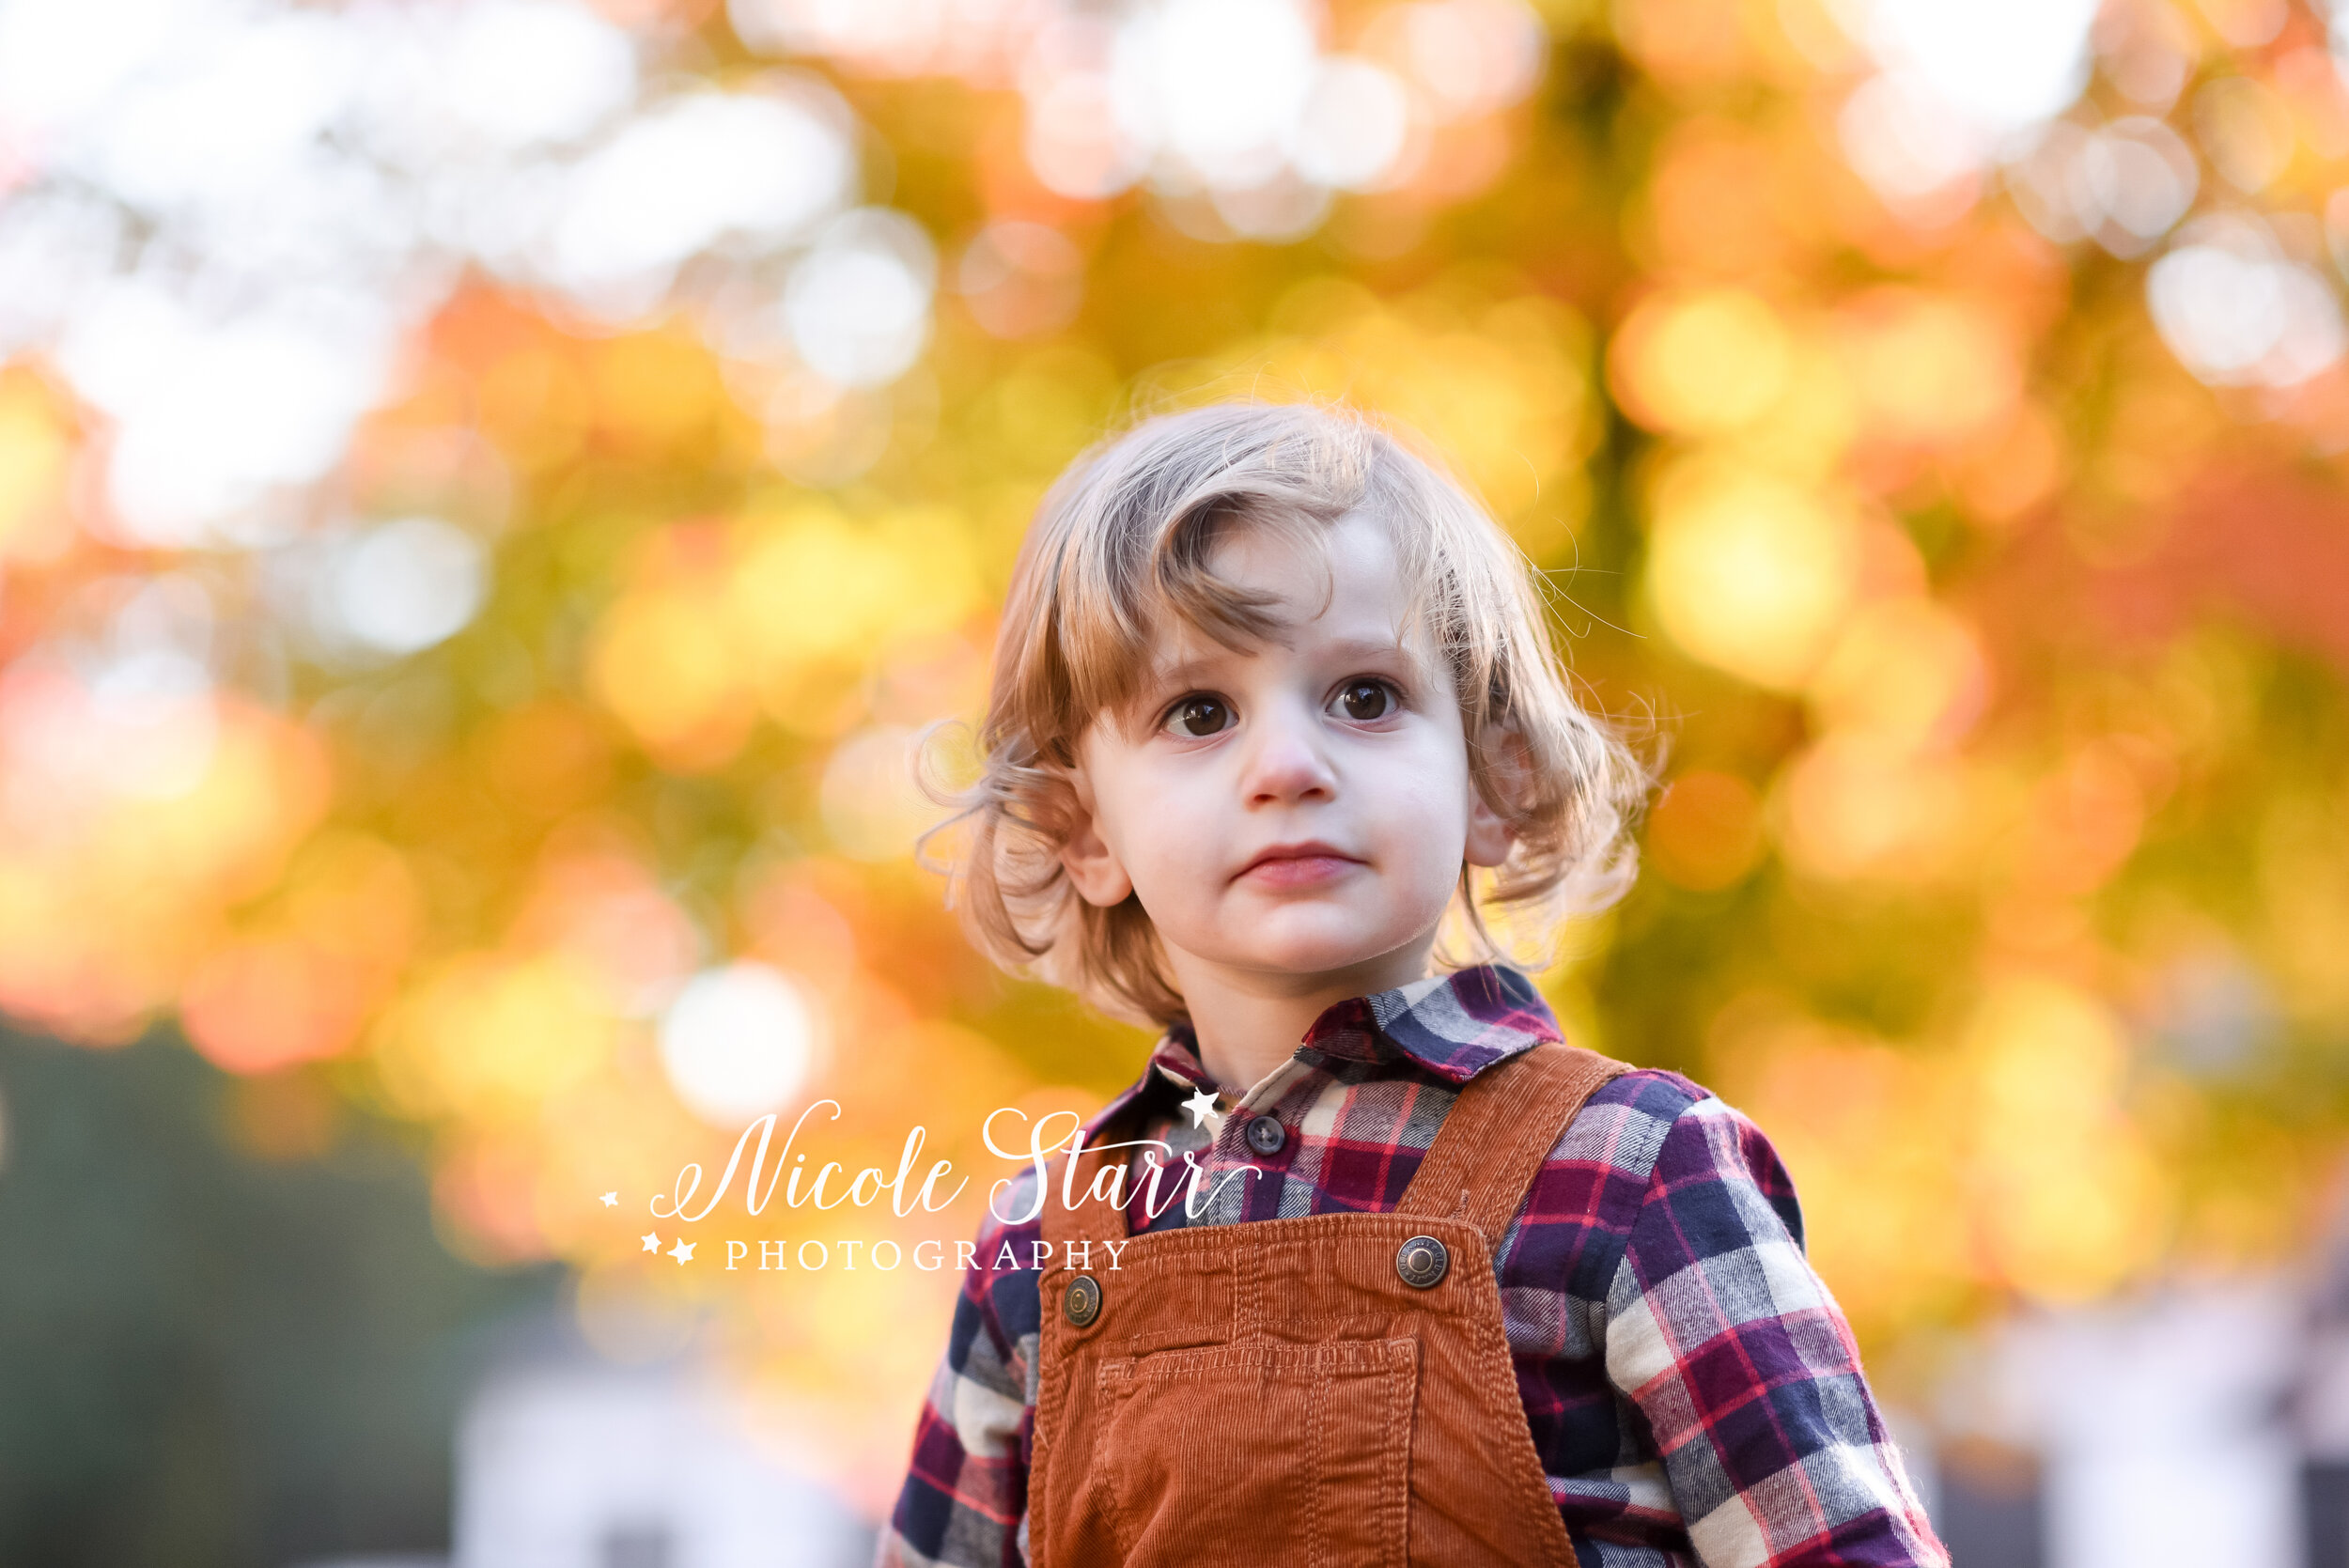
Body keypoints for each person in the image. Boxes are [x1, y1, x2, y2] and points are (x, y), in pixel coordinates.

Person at [875, 401, 1948, 1567]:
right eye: (1199, 712)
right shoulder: (1044, 1249)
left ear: (1494, 776)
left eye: (1363, 696)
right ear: (1082, 829)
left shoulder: (1634, 1171)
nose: (1286, 765)